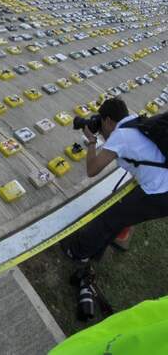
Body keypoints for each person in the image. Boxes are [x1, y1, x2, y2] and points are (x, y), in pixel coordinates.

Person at [61, 98, 168, 264]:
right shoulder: (134, 121)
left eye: (101, 123)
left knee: (108, 218)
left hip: (158, 193)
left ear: (108, 120)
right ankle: (94, 252)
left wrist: (91, 141)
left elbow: (92, 170)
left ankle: (77, 252)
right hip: (161, 185)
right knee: (119, 217)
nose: (101, 130)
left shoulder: (121, 136)